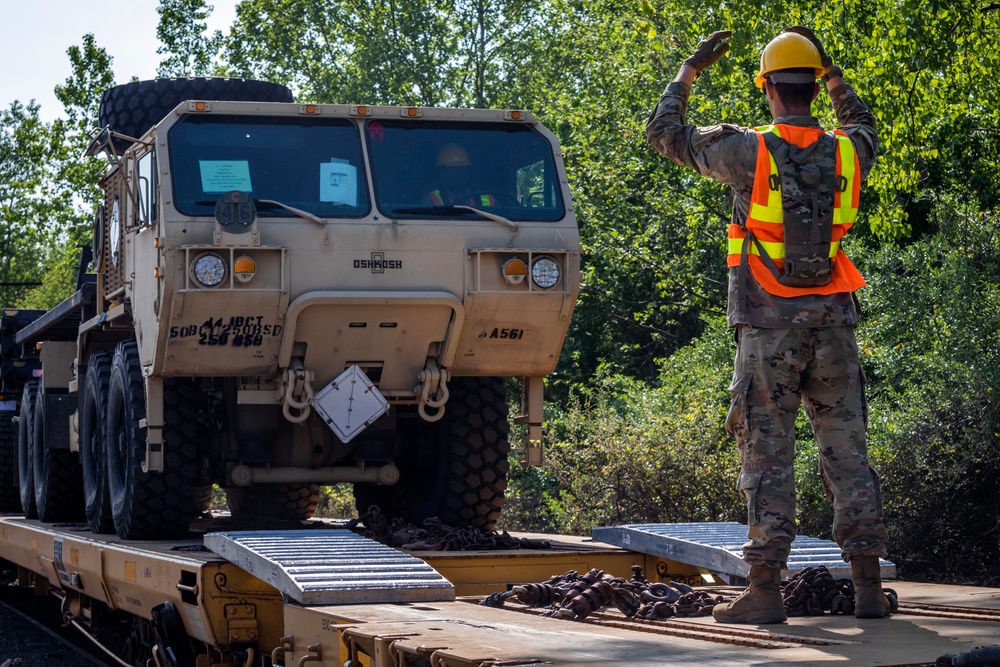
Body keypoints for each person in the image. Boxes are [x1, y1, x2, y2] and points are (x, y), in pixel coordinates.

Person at [646, 27, 890, 624]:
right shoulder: (848, 150)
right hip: (834, 322)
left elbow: (663, 135)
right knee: (848, 454)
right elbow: (864, 123)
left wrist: (687, 71)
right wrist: (834, 73)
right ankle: (865, 590)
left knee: (767, 453)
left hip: (767, 325)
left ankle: (764, 591)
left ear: (769, 89)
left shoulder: (745, 150)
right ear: (813, 86)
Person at [425, 143, 498, 207]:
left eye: (462, 168)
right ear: (442, 174)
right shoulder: (431, 201)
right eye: (453, 169)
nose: (459, 173)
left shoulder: (488, 199)